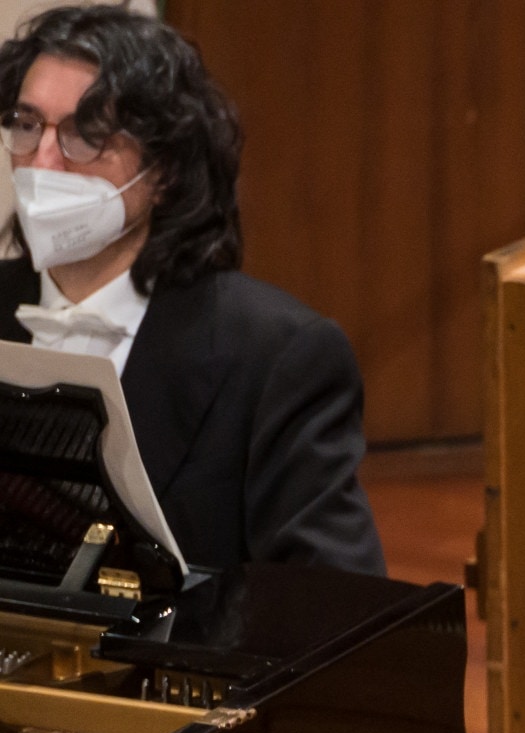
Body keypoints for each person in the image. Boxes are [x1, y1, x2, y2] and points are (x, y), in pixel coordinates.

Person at [0, 7, 384, 573]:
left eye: (87, 134)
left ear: (165, 170)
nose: (45, 160)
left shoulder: (279, 356)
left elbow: (329, 602)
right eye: (27, 125)